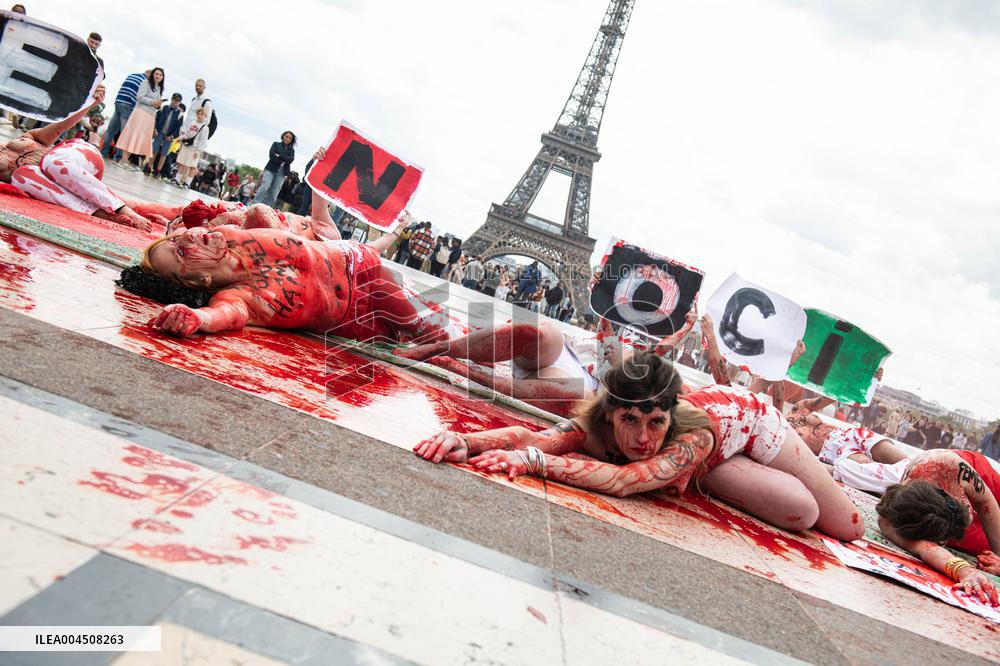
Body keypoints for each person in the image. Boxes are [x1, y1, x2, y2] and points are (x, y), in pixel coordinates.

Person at [415, 351, 864, 542]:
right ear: (610, 414)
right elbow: (533, 437)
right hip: (709, 457)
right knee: (800, 512)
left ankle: (707, 471)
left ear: (671, 417)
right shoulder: (597, 421)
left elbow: (625, 482)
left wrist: (533, 463)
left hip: (750, 425)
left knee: (847, 527)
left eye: (655, 424)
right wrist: (465, 441)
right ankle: (705, 475)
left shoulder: (693, 435)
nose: (644, 438)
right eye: (630, 421)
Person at [118, 188, 446, 344]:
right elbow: (220, 318)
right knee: (412, 340)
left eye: (177, 239)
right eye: (180, 254)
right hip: (352, 316)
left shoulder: (229, 233)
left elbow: (263, 215)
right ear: (198, 281)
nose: (189, 238)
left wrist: (318, 182)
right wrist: (195, 318)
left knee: (433, 334)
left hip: (363, 266)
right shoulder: (237, 299)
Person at [397, 310, 698, 418]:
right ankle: (440, 347)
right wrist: (603, 299)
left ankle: (449, 356)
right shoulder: (640, 370)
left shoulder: (630, 403)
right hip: (573, 356)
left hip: (580, 385)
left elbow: (505, 387)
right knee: (535, 332)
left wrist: (454, 367)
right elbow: (608, 339)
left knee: (576, 393)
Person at [6, 85, 155, 231]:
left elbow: (60, 127)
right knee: (20, 175)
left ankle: (123, 209)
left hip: (80, 159)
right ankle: (98, 213)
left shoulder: (28, 137)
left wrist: (90, 103)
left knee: (52, 162)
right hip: (62, 186)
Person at [876, 449, 1000, 606]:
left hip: (991, 490)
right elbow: (922, 547)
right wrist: (963, 570)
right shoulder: (891, 514)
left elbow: (985, 503)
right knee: (978, 551)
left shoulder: (950, 465)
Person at [786, 396, 909, 467]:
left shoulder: (798, 408)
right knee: (878, 472)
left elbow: (831, 395)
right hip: (833, 450)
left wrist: (864, 377)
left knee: (910, 464)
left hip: (849, 434)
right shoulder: (778, 433)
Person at [115, 68, 165, 169]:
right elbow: (140, 97)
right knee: (132, 135)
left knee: (139, 138)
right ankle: (123, 160)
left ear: (162, 77)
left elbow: (155, 102)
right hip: (141, 113)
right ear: (152, 74)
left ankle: (127, 160)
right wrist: (153, 102)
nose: (158, 76)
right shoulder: (145, 82)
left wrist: (158, 105)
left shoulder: (159, 88)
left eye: (160, 75)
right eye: (156, 74)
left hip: (150, 116)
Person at [101, 71, 147, 159]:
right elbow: (139, 97)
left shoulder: (132, 75)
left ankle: (103, 152)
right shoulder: (144, 81)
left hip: (119, 101)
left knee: (111, 130)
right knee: (124, 133)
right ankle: (118, 157)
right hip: (128, 105)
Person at [253, 131, 296, 207]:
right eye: (286, 136)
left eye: (290, 138)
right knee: (265, 187)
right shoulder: (276, 144)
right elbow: (272, 155)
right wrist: (283, 159)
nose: (288, 139)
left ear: (291, 140)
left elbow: (290, 160)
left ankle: (267, 209)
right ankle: (254, 205)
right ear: (283, 136)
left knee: (274, 192)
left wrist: (279, 155)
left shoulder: (291, 150)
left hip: (282, 172)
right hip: (271, 169)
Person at [149, 93, 184, 177]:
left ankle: (157, 171)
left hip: (169, 136)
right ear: (172, 99)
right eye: (175, 99)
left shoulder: (180, 114)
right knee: (154, 151)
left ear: (179, 102)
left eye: (178, 101)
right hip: (160, 132)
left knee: (164, 154)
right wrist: (155, 129)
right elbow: (157, 119)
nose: (176, 101)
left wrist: (172, 136)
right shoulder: (164, 108)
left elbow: (178, 128)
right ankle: (149, 167)